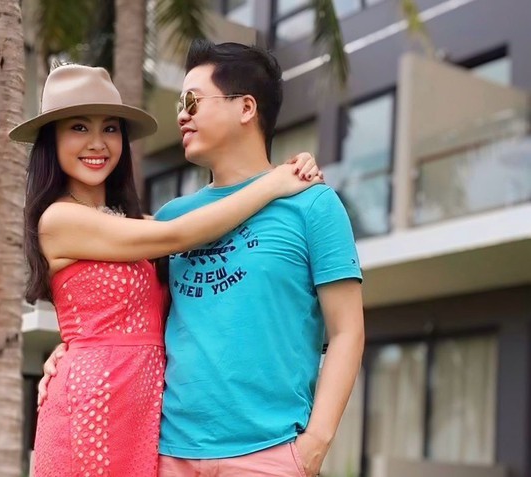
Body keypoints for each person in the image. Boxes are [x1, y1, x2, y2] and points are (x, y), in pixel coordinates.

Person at [40, 41, 365, 477]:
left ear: (246, 107)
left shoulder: (312, 204)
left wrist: (314, 446)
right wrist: (73, 348)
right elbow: (146, 283)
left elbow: (347, 331)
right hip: (167, 453)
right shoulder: (172, 219)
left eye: (192, 101)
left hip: (267, 454)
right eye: (180, 104)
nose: (182, 115)